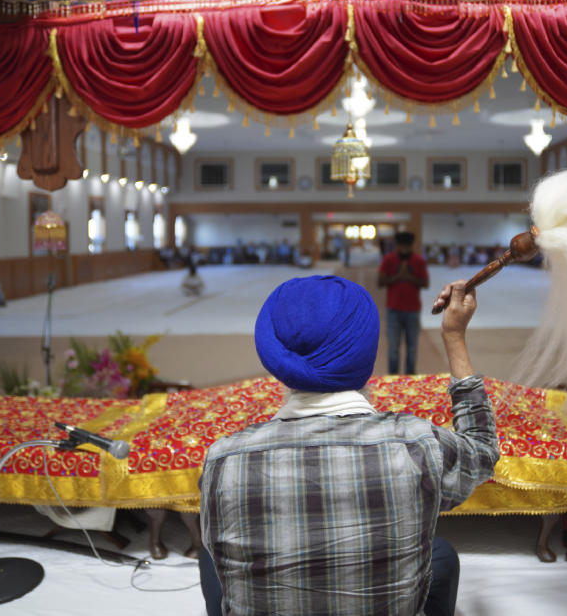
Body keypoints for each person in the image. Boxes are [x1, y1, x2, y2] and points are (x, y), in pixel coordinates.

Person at [199, 275, 498, 616]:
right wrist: (454, 336)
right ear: (366, 353)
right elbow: (482, 448)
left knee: (211, 557)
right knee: (441, 555)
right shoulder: (417, 446)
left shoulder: (224, 460)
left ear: (274, 357)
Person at [378, 231, 429, 374]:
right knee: (393, 347)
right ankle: (393, 377)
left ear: (411, 246)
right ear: (397, 246)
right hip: (393, 309)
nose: (404, 249)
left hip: (413, 310)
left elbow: (425, 283)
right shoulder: (389, 259)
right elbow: (380, 281)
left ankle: (410, 376)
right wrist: (399, 276)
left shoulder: (418, 260)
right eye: (402, 246)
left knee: (412, 346)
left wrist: (409, 276)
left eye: (407, 246)